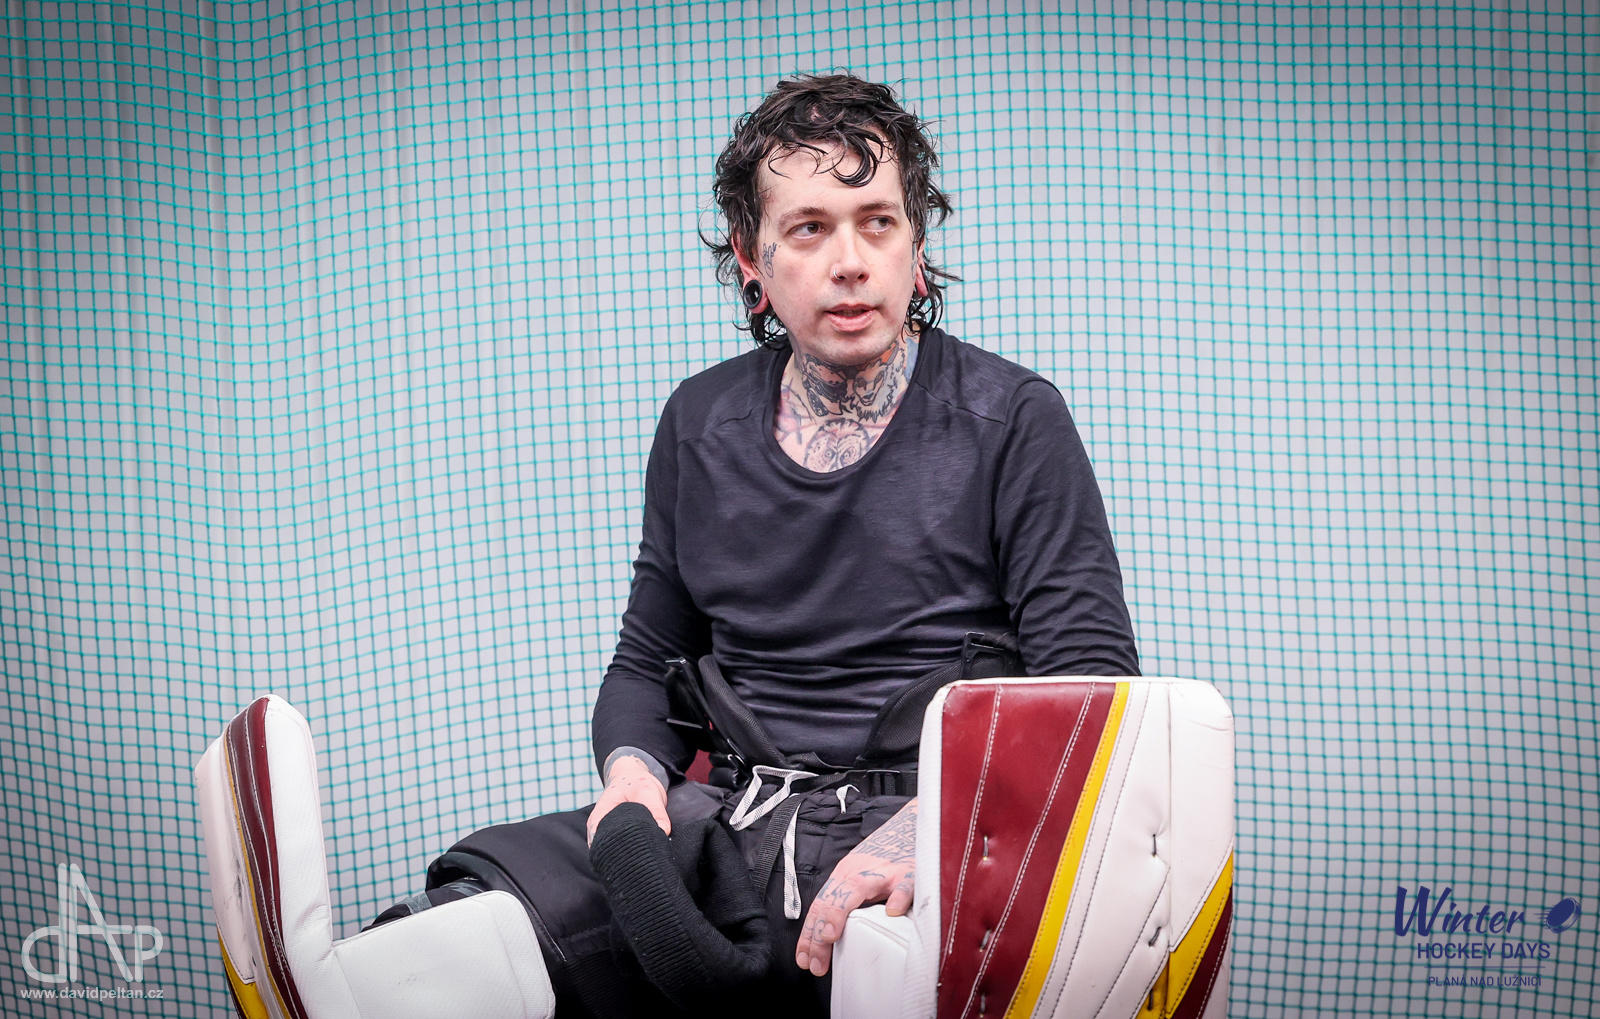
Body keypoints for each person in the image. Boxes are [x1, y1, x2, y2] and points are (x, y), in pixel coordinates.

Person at [382, 73, 1138, 1018]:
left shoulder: (1012, 418)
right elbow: (646, 660)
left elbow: (1091, 691)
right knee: (477, 916)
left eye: (878, 222)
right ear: (752, 256)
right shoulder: (699, 423)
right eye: (810, 227)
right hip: (735, 825)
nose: (851, 261)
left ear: (915, 245)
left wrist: (935, 837)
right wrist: (631, 783)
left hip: (937, 832)